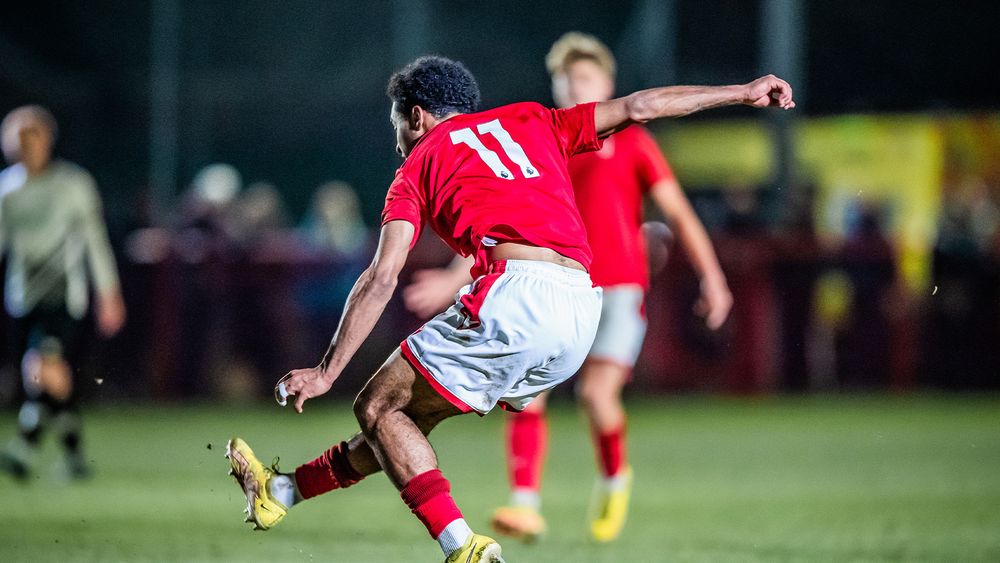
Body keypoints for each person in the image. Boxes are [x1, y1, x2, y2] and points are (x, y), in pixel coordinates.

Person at [226, 55, 793, 562]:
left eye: (397, 122)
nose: (397, 135)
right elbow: (642, 105)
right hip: (580, 309)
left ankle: (464, 550)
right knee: (404, 423)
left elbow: (381, 277)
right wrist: (741, 93)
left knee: (375, 404)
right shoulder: (532, 118)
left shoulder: (417, 165)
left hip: (516, 295)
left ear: (417, 115)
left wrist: (326, 372)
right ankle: (283, 493)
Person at [403, 33, 734, 543]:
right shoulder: (546, 140)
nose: (572, 87)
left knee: (598, 398)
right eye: (564, 80)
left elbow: (678, 213)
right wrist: (452, 276)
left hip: (618, 287)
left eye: (583, 78)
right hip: (545, 290)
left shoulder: (632, 144)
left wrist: (712, 276)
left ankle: (614, 477)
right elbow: (502, 225)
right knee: (524, 397)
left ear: (606, 84)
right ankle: (525, 505)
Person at [0, 105, 126, 481]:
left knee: (44, 367)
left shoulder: (72, 184)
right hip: (23, 297)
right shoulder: (7, 189)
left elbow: (94, 242)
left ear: (47, 140)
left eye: (33, 137)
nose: (27, 147)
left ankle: (23, 449)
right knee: (43, 378)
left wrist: (109, 293)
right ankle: (74, 459)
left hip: (65, 295)